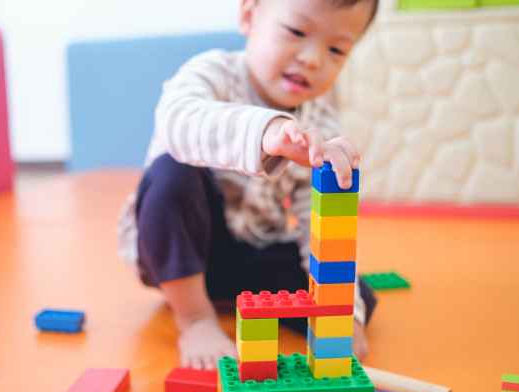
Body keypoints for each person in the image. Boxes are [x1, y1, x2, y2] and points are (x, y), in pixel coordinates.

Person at [118, 0, 379, 370]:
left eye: (335, 50)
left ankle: (305, 309)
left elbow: (316, 223)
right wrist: (267, 132)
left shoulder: (321, 121)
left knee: (357, 295)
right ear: (248, 16)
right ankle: (195, 317)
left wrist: (343, 316)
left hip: (251, 252)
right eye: (296, 31)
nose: (312, 59)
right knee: (170, 173)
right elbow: (176, 121)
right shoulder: (214, 73)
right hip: (180, 249)